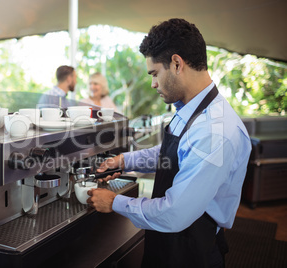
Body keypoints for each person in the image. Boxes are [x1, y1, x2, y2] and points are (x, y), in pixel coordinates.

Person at [87, 18, 251, 267]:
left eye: (154, 74)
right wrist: (124, 160)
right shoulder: (189, 109)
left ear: (176, 63)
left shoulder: (215, 131)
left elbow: (174, 213)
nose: (153, 84)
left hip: (192, 252)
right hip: (168, 243)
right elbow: (171, 153)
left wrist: (114, 202)